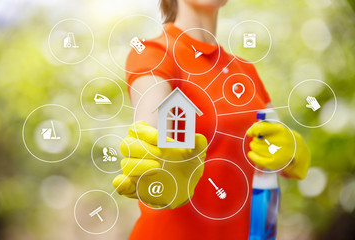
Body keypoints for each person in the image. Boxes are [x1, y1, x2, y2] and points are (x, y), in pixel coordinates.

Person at [113, 0, 311, 239]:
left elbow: (278, 146)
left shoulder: (244, 70)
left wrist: (292, 152)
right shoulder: (155, 53)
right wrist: (161, 165)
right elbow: (151, 130)